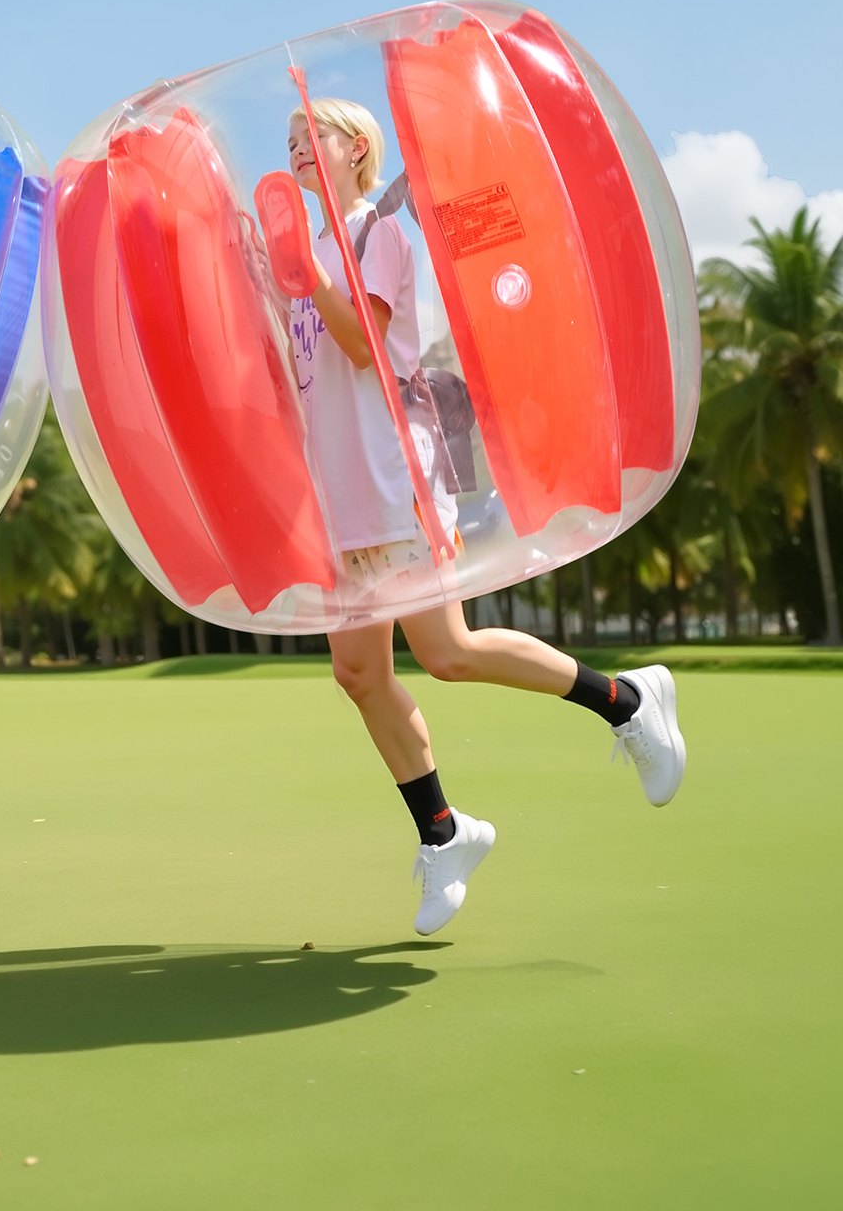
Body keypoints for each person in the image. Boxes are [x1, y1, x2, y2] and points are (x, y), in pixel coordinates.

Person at [271, 97, 685, 935]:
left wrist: (306, 275)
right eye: (288, 144)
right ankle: (446, 835)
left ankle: (628, 700)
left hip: (398, 481)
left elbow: (362, 347)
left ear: (357, 149)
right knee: (358, 675)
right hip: (341, 495)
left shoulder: (374, 234)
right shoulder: (305, 253)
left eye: (313, 137)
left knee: (447, 652)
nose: (298, 151)